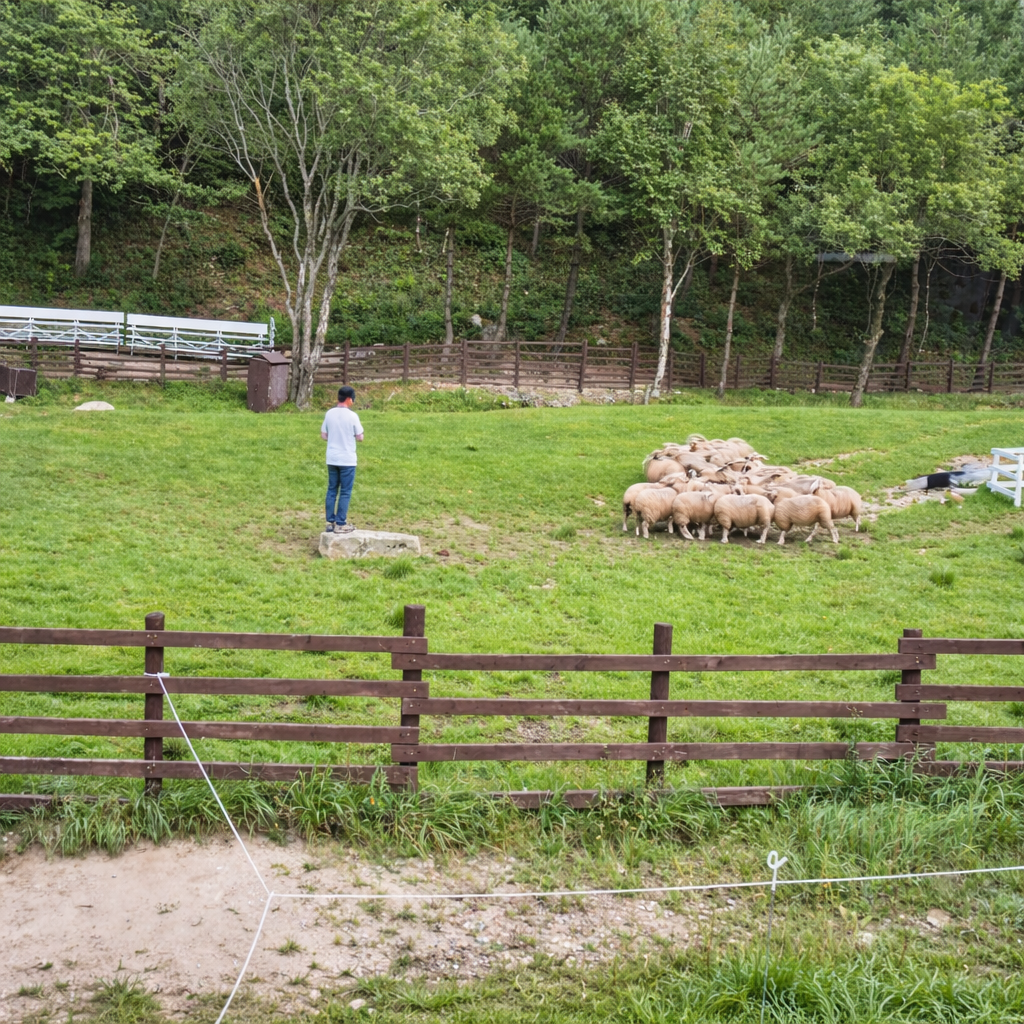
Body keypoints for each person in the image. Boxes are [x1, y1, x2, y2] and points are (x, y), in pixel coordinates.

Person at [321, 385, 364, 533]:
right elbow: (360, 437)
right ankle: (341, 522)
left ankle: (330, 522)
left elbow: (323, 435)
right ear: (349, 399)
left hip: (332, 458)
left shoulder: (329, 414)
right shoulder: (352, 416)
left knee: (332, 489)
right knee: (345, 491)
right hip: (347, 459)